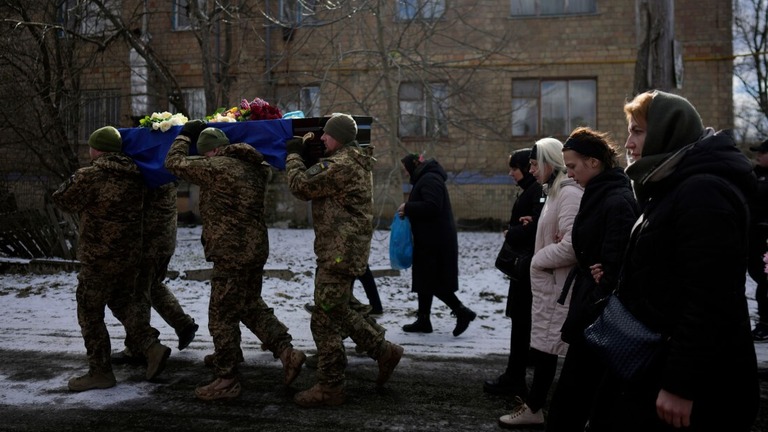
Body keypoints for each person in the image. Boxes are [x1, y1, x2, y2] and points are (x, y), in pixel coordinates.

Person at [586, 90, 759, 431]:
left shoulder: (702, 192)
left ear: (667, 132)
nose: (628, 143)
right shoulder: (672, 185)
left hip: (696, 383)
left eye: (637, 131)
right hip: (654, 363)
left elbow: (711, 301)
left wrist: (681, 384)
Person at [165, 124, 306, 401]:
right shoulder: (253, 167)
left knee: (221, 315)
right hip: (254, 248)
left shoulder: (217, 167)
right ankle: (287, 352)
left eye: (206, 155)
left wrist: (183, 137)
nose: (206, 161)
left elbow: (173, 163)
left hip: (232, 252)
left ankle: (226, 377)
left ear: (215, 151)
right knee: (249, 305)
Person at [285, 113, 403, 407]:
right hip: (342, 249)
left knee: (328, 312)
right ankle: (334, 381)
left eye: (326, 134)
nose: (322, 138)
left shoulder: (341, 164)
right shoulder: (351, 160)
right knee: (326, 316)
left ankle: (377, 354)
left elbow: (300, 185)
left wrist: (293, 154)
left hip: (339, 252)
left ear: (338, 137)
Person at [51, 126, 172, 391]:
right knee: (122, 303)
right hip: (129, 256)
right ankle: (151, 347)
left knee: (89, 312)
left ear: (97, 149)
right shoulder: (137, 174)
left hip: (99, 257)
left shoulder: (90, 175)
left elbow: (62, 199)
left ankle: (100, 372)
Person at [544, 127, 639, 432]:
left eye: (572, 166)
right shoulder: (599, 192)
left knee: (576, 396)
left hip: (601, 316)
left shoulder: (616, 198)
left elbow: (617, 262)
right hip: (592, 306)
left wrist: (602, 277)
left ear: (594, 162)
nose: (569, 174)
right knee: (575, 395)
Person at [497, 137, 582, 429]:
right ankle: (537, 407)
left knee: (554, 351)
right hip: (550, 286)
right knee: (546, 349)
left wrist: (538, 259)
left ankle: (543, 409)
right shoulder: (553, 192)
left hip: (557, 286)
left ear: (549, 163)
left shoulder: (567, 194)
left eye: (535, 164)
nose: (531, 170)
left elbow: (571, 244)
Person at [114, 181, 199, 365]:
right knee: (152, 285)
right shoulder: (163, 171)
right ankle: (183, 324)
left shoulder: (147, 174)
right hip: (165, 241)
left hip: (148, 243)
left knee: (139, 291)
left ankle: (138, 348)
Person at [483, 148, 543, 399]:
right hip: (524, 267)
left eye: (514, 168)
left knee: (521, 323)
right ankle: (515, 374)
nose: (511, 173)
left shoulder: (536, 191)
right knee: (520, 322)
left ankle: (515, 378)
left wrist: (514, 232)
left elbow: (536, 229)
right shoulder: (534, 190)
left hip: (527, 268)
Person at [397, 154, 476, 336]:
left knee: (434, 282)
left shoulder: (430, 179)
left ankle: (462, 312)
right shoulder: (427, 178)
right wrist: (409, 211)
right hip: (430, 239)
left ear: (413, 166)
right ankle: (424, 319)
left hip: (436, 242)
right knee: (425, 280)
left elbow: (432, 206)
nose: (404, 173)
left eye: (405, 169)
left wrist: (408, 208)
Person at [748, 138, 768, 341]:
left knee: (765, 282)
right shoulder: (755, 175)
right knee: (760, 279)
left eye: (763, 152)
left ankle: (765, 323)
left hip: (764, 238)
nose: (758, 155)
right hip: (754, 238)